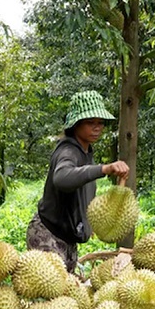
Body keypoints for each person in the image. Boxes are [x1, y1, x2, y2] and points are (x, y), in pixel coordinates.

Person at [26, 91, 129, 272]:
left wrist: (88, 223)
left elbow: (83, 188)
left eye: (100, 123)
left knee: (66, 295)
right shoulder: (68, 151)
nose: (97, 128)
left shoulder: (85, 152)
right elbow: (62, 177)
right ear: (75, 124)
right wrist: (104, 169)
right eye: (90, 123)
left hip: (68, 238)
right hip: (48, 235)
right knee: (50, 296)